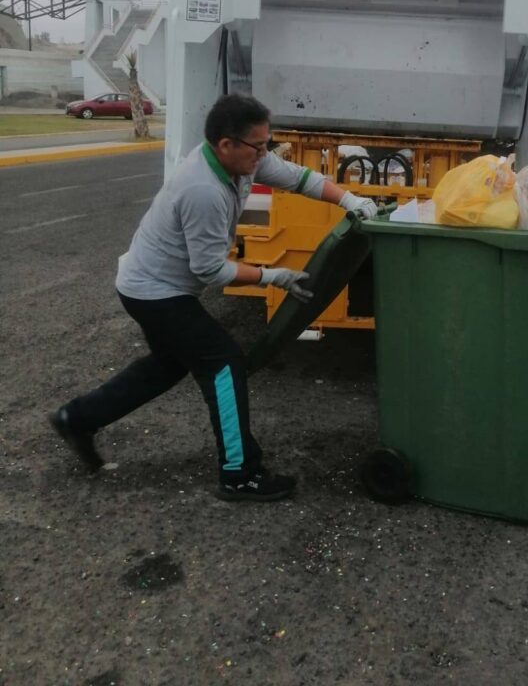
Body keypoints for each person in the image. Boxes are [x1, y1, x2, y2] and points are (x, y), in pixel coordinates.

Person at [49, 94, 378, 502]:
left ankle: (76, 419)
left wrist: (349, 199)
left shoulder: (243, 160)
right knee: (222, 363)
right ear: (226, 144)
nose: (264, 153)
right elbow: (210, 269)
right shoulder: (202, 189)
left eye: (265, 144)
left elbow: (299, 178)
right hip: (154, 291)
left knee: (167, 366)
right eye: (258, 146)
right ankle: (240, 474)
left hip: (152, 285)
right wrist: (271, 276)